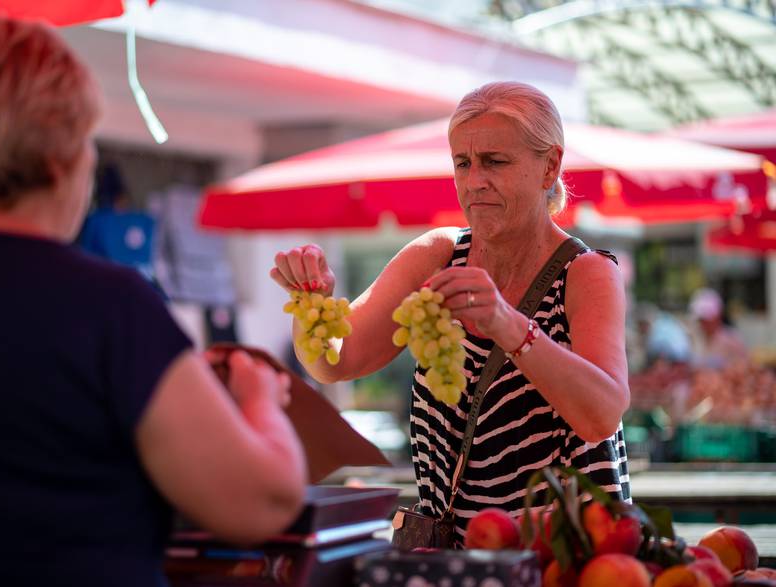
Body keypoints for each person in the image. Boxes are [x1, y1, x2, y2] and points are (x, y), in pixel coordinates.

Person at [0, 19, 305, 587]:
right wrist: (259, 398)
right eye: (88, 138)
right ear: (57, 158)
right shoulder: (108, 309)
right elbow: (258, 503)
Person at [270, 81, 631, 545]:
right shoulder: (438, 253)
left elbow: (601, 414)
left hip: (559, 556)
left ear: (550, 167)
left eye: (495, 162)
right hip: (456, 558)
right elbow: (336, 361)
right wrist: (310, 304)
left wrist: (506, 323)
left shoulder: (586, 272)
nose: (474, 180)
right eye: (463, 162)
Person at [689, 287, 748, 369]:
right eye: (701, 320)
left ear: (717, 317)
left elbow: (743, 367)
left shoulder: (731, 339)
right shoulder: (693, 338)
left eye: (706, 320)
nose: (703, 323)